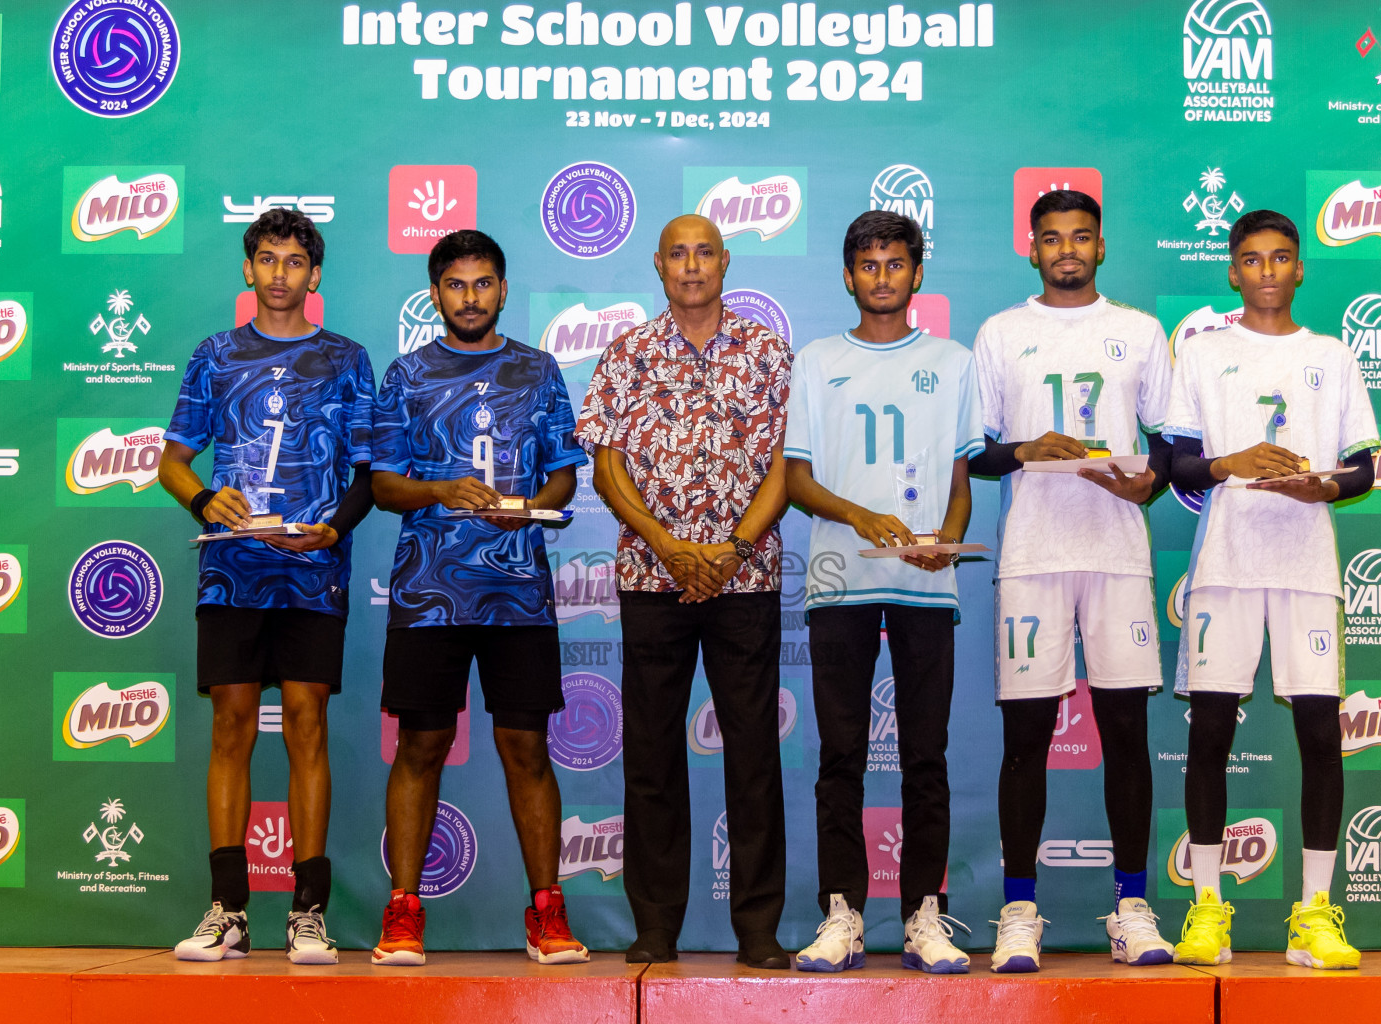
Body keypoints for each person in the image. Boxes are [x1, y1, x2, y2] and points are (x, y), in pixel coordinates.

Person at [368, 230, 590, 967]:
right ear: (436, 292)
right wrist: (440, 490)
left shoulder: (537, 369)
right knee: (421, 745)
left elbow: (564, 475)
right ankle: (403, 912)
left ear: (502, 288)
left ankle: (548, 911)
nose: (471, 297)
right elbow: (382, 485)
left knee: (526, 747)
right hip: (430, 593)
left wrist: (527, 503)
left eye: (484, 283)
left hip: (517, 593)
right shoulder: (405, 375)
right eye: (456, 285)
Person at [576, 214, 792, 969]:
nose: (692, 266)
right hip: (651, 577)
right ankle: (656, 925)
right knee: (654, 754)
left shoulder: (766, 351)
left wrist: (730, 550)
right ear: (658, 264)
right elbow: (606, 468)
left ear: (725, 262)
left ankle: (760, 928)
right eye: (679, 253)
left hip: (745, 576)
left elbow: (786, 468)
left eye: (705, 252)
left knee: (755, 755)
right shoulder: (628, 354)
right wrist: (668, 546)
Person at [160, 207, 375, 965]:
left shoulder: (347, 359)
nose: (280, 273)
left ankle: (308, 915)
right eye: (268, 259)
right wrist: (199, 498)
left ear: (314, 277)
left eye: (295, 262)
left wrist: (335, 528)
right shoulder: (214, 355)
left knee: (309, 724)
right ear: (248, 269)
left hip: (314, 572)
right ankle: (228, 911)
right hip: (231, 570)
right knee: (232, 728)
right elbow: (173, 459)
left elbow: (369, 473)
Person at [968, 190, 1175, 972]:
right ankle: (1019, 910)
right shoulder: (1001, 333)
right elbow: (976, 452)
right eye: (1052, 238)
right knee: (1026, 739)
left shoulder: (1139, 331)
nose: (1066, 251)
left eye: (1081, 238)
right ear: (1032, 248)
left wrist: (1148, 482)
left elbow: (1175, 446)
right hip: (1032, 554)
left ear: (1101, 247)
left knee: (1126, 733)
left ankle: (1132, 906)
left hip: (1117, 552)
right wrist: (1027, 449)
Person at [1164, 209, 1376, 970]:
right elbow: (1179, 465)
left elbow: (1366, 467)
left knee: (1322, 737)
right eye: (1251, 260)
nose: (1266, 272)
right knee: (1210, 731)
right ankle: (1207, 911)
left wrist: (1325, 488)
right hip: (1225, 563)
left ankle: (1315, 915)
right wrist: (1232, 463)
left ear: (1299, 268)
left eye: (1281, 258)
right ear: (1232, 270)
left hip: (1306, 566)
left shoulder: (1333, 354)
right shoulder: (1203, 353)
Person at [784, 210, 980, 974]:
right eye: (868, 265)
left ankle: (924, 916)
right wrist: (860, 514)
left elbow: (961, 482)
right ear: (848, 275)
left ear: (916, 273)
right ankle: (844, 914)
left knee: (925, 756)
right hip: (839, 580)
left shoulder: (955, 362)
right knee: (841, 758)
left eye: (896, 264)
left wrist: (945, 541)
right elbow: (798, 480)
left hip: (926, 585)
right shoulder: (816, 360)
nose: (882, 277)